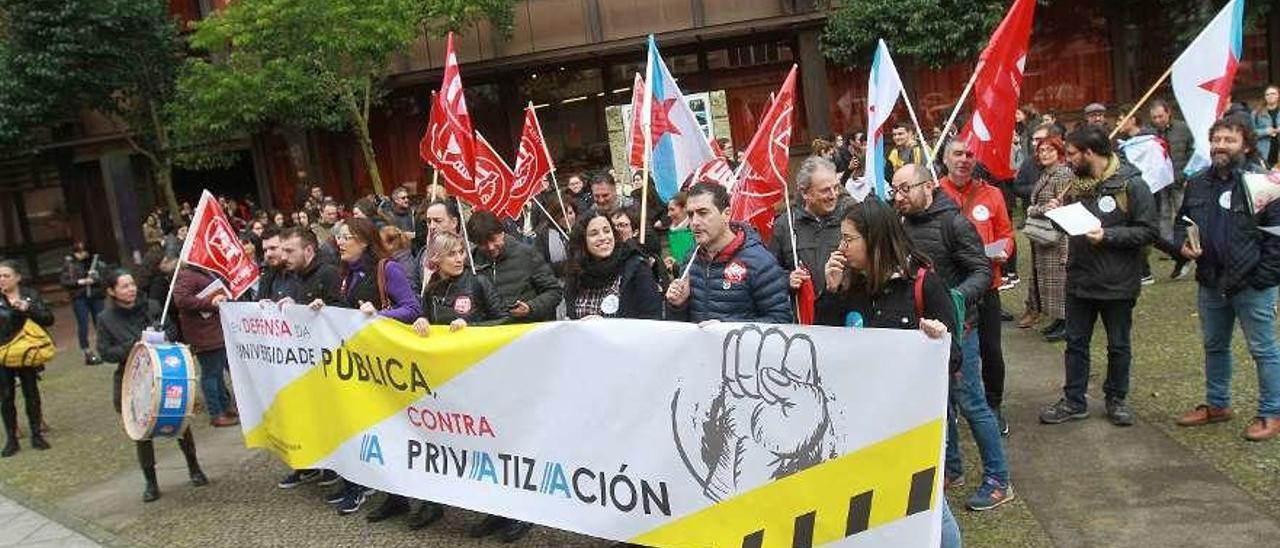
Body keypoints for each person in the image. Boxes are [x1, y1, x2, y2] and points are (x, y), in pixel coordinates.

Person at [811, 199, 964, 544]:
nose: (841, 247)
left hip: (910, 424)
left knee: (928, 508)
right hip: (861, 422)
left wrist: (937, 341)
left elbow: (954, 357)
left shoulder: (923, 284)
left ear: (875, 239)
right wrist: (831, 291)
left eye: (849, 239)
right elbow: (825, 348)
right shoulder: (850, 288)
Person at [890, 164, 1013, 510]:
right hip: (923, 331)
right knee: (939, 405)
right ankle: (951, 468)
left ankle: (998, 479)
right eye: (894, 191)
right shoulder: (900, 224)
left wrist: (955, 299)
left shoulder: (955, 223)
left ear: (928, 186)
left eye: (905, 189)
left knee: (972, 402)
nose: (898, 197)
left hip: (961, 329)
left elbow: (982, 271)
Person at [1039, 126, 1156, 427]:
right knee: (1075, 344)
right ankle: (1074, 400)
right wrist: (1058, 214)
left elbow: (1148, 231)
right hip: (1080, 279)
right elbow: (1074, 226)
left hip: (1118, 282)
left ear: (1090, 153)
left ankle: (1116, 399)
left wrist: (1108, 235)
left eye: (1073, 154)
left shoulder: (1132, 185)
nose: (1068, 160)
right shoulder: (1077, 184)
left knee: (1118, 345)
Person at [1172, 117, 1280, 441]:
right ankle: (1218, 405)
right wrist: (1182, 244)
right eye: (1216, 139)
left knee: (1263, 350)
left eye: (1229, 140)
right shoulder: (1199, 182)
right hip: (1211, 281)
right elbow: (1182, 222)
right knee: (1214, 346)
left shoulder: (1263, 183)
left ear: (1245, 145)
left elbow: (1277, 237)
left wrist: (1262, 279)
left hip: (1251, 285)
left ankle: (1271, 412)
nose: (1221, 145)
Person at [317, 217, 422, 515]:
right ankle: (373, 487)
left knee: (387, 427)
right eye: (338, 236)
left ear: (364, 241)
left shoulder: (386, 268)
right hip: (360, 362)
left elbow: (413, 308)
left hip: (386, 361)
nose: (340, 241)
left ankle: (397, 495)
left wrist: (378, 316)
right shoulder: (345, 272)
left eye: (347, 236)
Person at [97, 269, 207, 501]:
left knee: (181, 422)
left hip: (164, 374)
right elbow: (105, 352)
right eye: (124, 286)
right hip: (133, 380)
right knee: (142, 433)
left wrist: (161, 334)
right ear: (112, 291)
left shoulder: (153, 306)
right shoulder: (105, 319)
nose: (131, 289)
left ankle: (195, 468)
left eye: (132, 284)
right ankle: (151, 482)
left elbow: (172, 328)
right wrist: (134, 346)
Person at [939, 139, 1015, 431]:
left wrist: (1005, 250)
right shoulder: (935, 194)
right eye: (957, 154)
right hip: (951, 290)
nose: (964, 159)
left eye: (969, 155)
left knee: (991, 350)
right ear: (946, 159)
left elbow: (1007, 233)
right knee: (953, 350)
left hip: (987, 287)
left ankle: (993, 405)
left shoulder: (992, 194)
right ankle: (953, 406)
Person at [269, 227, 341, 490]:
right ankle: (314, 463)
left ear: (308, 250)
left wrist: (324, 309)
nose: (283, 255)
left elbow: (342, 313)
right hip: (307, 362)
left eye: (290, 250)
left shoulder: (329, 273)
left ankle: (339, 470)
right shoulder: (298, 276)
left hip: (329, 363)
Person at [664, 182, 791, 324]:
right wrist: (677, 306)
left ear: (726, 214)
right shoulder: (690, 259)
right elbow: (681, 328)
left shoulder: (759, 261)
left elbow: (780, 321)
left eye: (703, 213)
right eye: (690, 214)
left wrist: (726, 330)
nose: (695, 222)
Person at [467, 210, 563, 324]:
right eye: (483, 243)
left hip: (524, 330)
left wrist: (530, 307)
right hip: (490, 333)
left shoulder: (527, 254)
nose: (490, 247)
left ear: (502, 233)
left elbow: (554, 291)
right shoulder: (471, 263)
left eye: (493, 239)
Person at [172, 265, 239, 428]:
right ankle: (216, 413)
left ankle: (225, 407)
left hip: (213, 330)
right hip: (203, 333)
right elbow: (181, 300)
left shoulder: (204, 271)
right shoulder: (187, 275)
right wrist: (210, 302)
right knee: (210, 373)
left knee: (216, 373)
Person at [771, 156, 847, 299]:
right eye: (825, 190)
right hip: (802, 314)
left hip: (843, 311)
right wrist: (787, 279)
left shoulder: (849, 220)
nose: (833, 195)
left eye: (836, 188)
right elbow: (769, 273)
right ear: (805, 193)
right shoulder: (785, 225)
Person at [564, 212, 662, 320]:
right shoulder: (576, 273)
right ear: (582, 240)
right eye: (594, 234)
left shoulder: (636, 267)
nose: (603, 237)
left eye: (607, 231)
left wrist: (608, 327)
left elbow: (652, 319)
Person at [0, 262, 54, 457]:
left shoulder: (30, 295)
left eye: (6, 275)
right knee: (6, 397)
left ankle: (36, 434)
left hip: (27, 351)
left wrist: (28, 309)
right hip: (3, 353)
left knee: (31, 393)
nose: (2, 280)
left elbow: (48, 319)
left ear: (17, 277)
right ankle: (11, 439)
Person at [1023, 136, 1074, 342]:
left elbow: (1059, 208)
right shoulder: (1046, 174)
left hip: (1057, 237)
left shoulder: (1062, 174)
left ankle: (1067, 322)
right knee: (1048, 281)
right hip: (1043, 238)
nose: (1044, 154)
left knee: (1059, 280)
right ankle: (1058, 319)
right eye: (1041, 150)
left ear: (1059, 152)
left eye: (1049, 150)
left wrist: (1034, 210)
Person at [1147, 99, 1197, 278]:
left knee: (1184, 216)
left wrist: (1189, 174)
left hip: (1180, 179)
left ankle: (1191, 245)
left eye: (1161, 116)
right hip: (1161, 183)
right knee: (1164, 216)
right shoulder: (1150, 133)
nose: (1158, 120)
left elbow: (1193, 150)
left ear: (1168, 113)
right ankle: (1174, 250)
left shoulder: (1182, 128)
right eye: (1154, 117)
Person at [60, 241, 106, 365]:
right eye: (77, 252)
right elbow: (64, 281)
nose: (80, 255)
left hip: (96, 296)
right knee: (83, 323)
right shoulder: (70, 264)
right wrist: (79, 282)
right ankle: (87, 351)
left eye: (82, 251)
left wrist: (94, 280)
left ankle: (103, 347)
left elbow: (105, 278)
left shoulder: (96, 262)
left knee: (101, 322)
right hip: (79, 296)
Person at [1254, 84, 1280, 169]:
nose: (1270, 96)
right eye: (1267, 94)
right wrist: (1265, 131)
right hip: (1264, 154)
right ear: (1265, 97)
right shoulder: (1256, 113)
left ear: (1278, 95)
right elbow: (1250, 133)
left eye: (1273, 93)